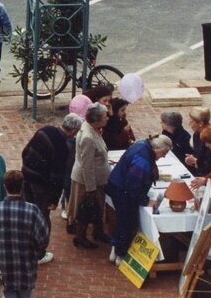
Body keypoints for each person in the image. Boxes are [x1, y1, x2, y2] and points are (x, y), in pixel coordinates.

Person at [20, 113, 81, 263]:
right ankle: (39, 253)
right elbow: (57, 177)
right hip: (42, 186)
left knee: (27, 213)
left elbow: (25, 152)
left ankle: (25, 246)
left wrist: (28, 168)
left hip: (26, 177)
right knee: (42, 217)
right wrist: (54, 199)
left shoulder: (45, 130)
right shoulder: (62, 147)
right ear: (73, 131)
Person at [109, 136, 173, 264]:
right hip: (123, 191)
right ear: (157, 148)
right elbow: (133, 185)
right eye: (164, 153)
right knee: (127, 222)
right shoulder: (143, 160)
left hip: (118, 186)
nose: (164, 156)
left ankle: (115, 250)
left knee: (122, 220)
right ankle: (120, 255)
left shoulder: (142, 144)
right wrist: (145, 200)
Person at [67, 102, 110, 250]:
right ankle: (80, 237)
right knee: (85, 208)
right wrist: (90, 189)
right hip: (87, 181)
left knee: (97, 207)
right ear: (96, 119)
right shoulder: (88, 138)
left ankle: (98, 232)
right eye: (105, 116)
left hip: (96, 179)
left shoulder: (93, 128)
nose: (107, 118)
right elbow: (87, 165)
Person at [185, 106, 211, 176]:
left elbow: (210, 161)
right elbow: (200, 155)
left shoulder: (210, 136)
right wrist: (192, 158)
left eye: (191, 122)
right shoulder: (197, 134)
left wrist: (195, 161)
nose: (189, 124)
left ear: (200, 123)